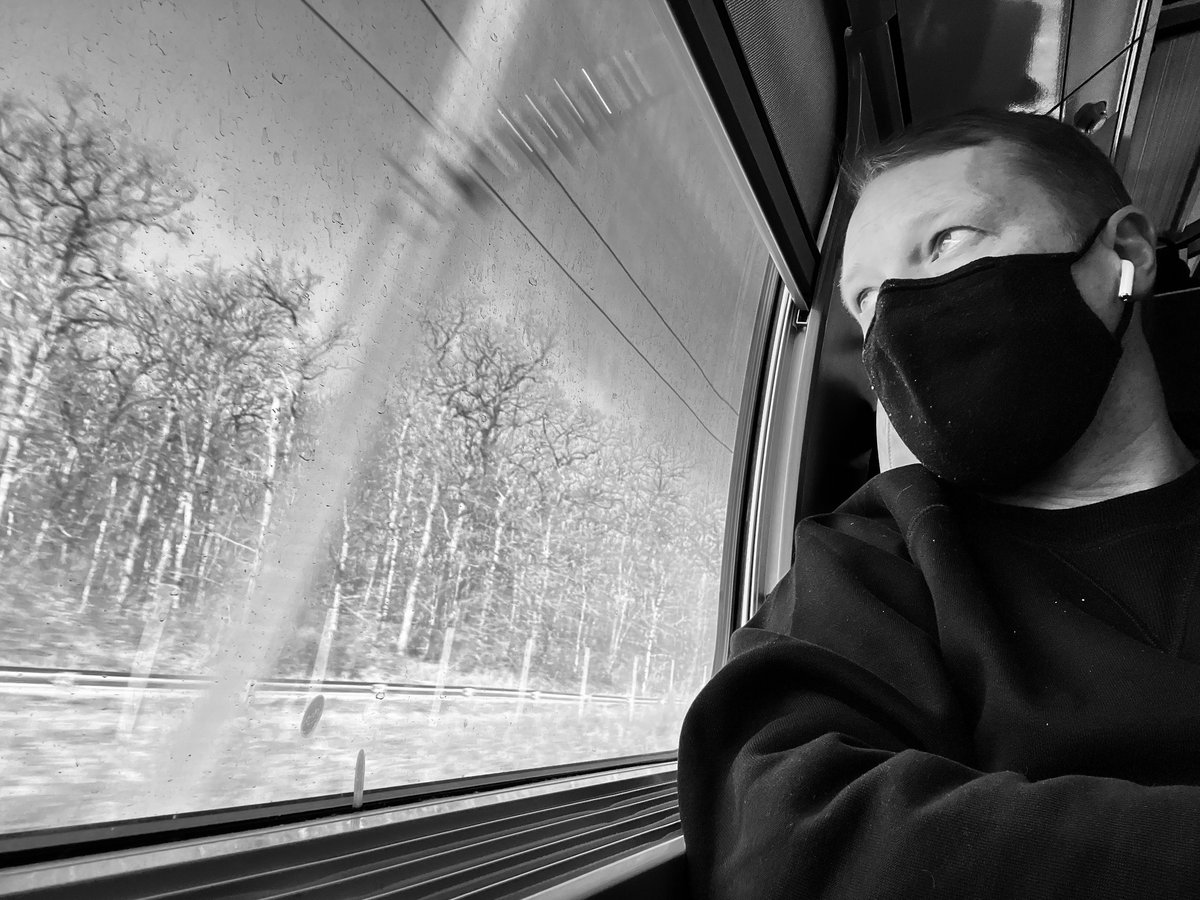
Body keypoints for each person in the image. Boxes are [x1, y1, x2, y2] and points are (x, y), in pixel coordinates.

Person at [677, 108, 1200, 899]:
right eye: (868, 300)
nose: (900, 314)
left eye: (947, 242)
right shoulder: (877, 556)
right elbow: (784, 841)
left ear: (1124, 255)